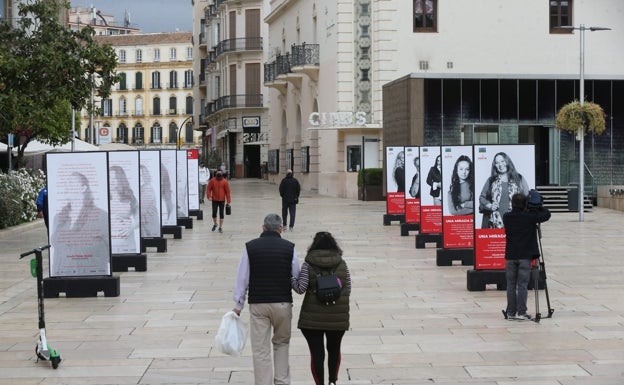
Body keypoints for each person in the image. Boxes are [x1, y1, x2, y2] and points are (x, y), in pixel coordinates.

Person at [232, 213, 301, 385]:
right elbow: (296, 276)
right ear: (281, 229)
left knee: (261, 349)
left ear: (263, 228)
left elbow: (242, 278)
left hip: (259, 304)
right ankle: (282, 382)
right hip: (283, 303)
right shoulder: (290, 248)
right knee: (282, 343)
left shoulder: (250, 247)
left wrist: (238, 305)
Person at [292, 231, 351, 385]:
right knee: (334, 351)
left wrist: (289, 277)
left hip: (312, 320)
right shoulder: (342, 263)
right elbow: (348, 288)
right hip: (337, 318)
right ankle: (333, 382)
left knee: (317, 354)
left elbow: (300, 288)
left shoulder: (308, 264)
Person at [50, 171, 110, 277]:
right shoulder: (59, 218)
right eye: (66, 184)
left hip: (91, 279)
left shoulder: (101, 216)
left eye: (71, 183)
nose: (67, 187)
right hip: (63, 279)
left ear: (83, 188)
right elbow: (57, 253)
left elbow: (110, 251)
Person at [502, 193, 551, 321]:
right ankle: (521, 312)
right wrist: (537, 206)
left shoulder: (507, 217)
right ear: (525, 204)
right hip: (525, 256)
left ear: (512, 203)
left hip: (510, 256)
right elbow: (547, 214)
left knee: (511, 285)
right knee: (522, 284)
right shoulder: (530, 217)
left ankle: (511, 312)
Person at [479, 152, 529, 228]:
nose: (500, 165)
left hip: (516, 220)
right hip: (495, 222)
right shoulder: (491, 180)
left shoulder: (519, 178)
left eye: (502, 161)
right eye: (497, 163)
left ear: (507, 161)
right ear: (495, 165)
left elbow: (527, 197)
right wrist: (490, 205)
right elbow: (482, 197)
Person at [109, 165, 140, 254]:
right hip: (109, 243)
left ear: (120, 179)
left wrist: (130, 228)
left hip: (127, 241)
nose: (111, 181)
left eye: (114, 178)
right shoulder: (104, 196)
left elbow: (139, 219)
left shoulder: (129, 196)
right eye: (109, 178)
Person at [140, 164, 160, 238]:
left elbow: (141, 209)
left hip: (150, 227)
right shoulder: (143, 188)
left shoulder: (147, 189)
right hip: (147, 225)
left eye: (142, 175)